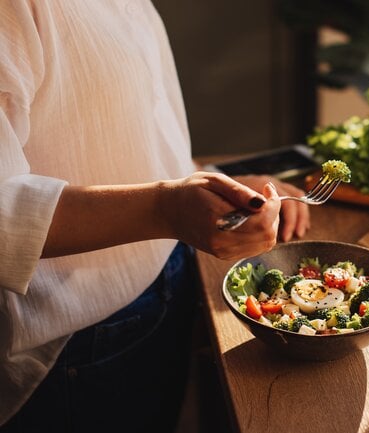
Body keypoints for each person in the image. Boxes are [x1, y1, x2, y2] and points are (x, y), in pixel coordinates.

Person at [0, 2, 310, 432]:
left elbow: (118, 127)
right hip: (81, 340)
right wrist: (165, 208)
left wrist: (219, 182)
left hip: (170, 280)